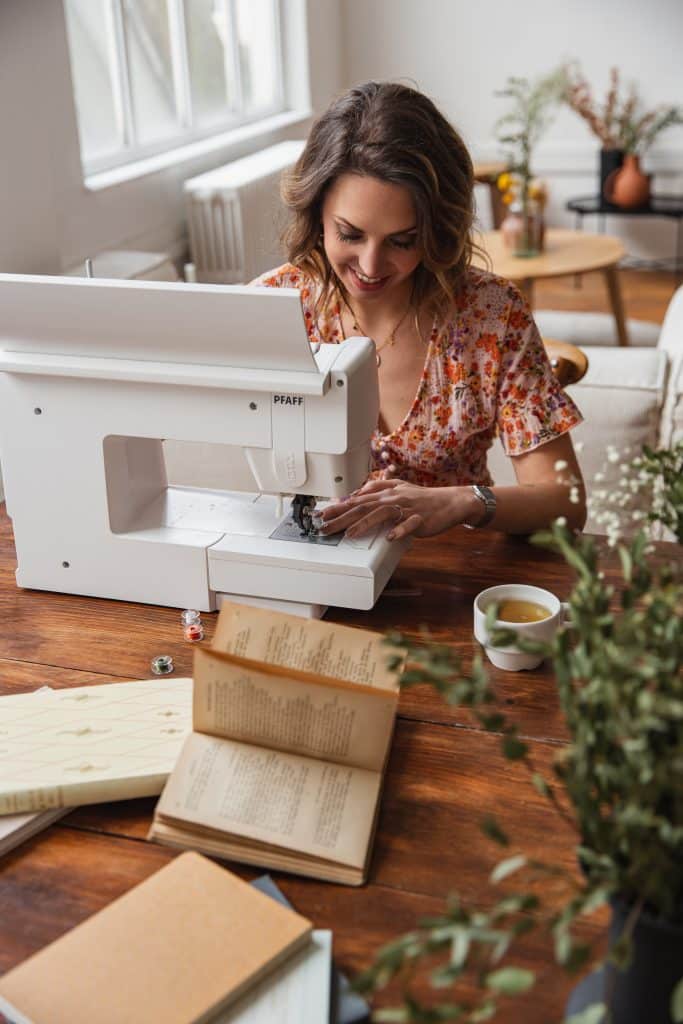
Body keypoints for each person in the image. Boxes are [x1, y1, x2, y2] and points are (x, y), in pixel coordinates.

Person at [253, 81, 586, 541]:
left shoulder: (490, 317)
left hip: (455, 568)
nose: (370, 267)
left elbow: (566, 503)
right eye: (349, 234)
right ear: (317, 214)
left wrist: (462, 500)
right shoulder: (271, 308)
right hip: (316, 566)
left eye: (402, 241)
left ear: (436, 232)